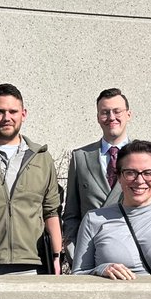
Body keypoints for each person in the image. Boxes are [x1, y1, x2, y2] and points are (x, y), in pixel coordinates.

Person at [0, 84, 64, 275]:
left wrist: (57, 257)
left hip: (32, 264)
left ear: (23, 114)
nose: (6, 117)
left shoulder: (41, 158)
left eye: (13, 111)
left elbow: (51, 211)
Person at [73, 141, 151, 280]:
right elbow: (78, 274)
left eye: (148, 173)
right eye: (130, 173)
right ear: (119, 177)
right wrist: (100, 270)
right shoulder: (94, 219)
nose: (139, 180)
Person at [62, 88, 131, 257]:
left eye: (117, 111)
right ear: (98, 117)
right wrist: (74, 251)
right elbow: (71, 212)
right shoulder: (80, 157)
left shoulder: (143, 156)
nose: (111, 117)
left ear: (128, 114)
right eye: (105, 112)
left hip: (132, 252)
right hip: (90, 254)